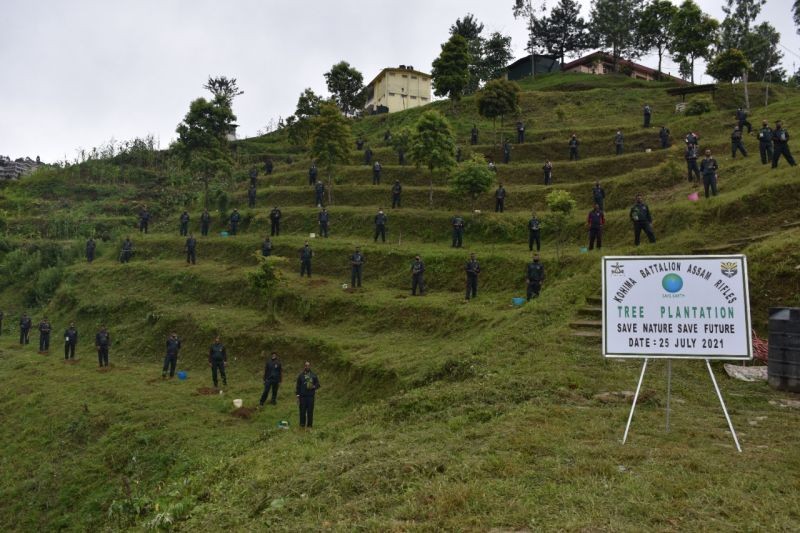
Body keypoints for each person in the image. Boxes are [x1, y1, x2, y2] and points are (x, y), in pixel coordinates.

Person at [296, 361, 320, 429]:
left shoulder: (313, 375)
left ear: (310, 366)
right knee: (302, 411)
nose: (307, 367)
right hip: (302, 397)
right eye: (306, 365)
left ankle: (309, 426)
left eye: (308, 365)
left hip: (310, 397)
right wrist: (297, 396)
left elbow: (318, 384)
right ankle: (302, 425)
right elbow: (298, 386)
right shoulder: (300, 376)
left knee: (310, 411)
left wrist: (314, 386)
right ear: (304, 366)